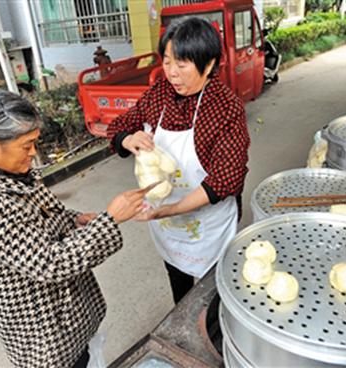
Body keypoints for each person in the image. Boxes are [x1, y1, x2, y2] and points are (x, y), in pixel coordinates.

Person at [0, 90, 147, 367]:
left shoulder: (12, 173)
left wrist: (75, 220)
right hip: (44, 334)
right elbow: (50, 263)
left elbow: (42, 216)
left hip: (65, 315)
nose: (33, 152)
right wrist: (109, 220)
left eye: (34, 142)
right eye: (26, 145)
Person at [107, 18, 250, 304]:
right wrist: (128, 139)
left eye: (182, 64)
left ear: (208, 65)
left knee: (215, 290)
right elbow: (120, 125)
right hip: (167, 224)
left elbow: (225, 179)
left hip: (209, 222)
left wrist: (167, 210)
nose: (172, 73)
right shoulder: (160, 93)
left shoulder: (225, 109)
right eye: (167, 62)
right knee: (178, 282)